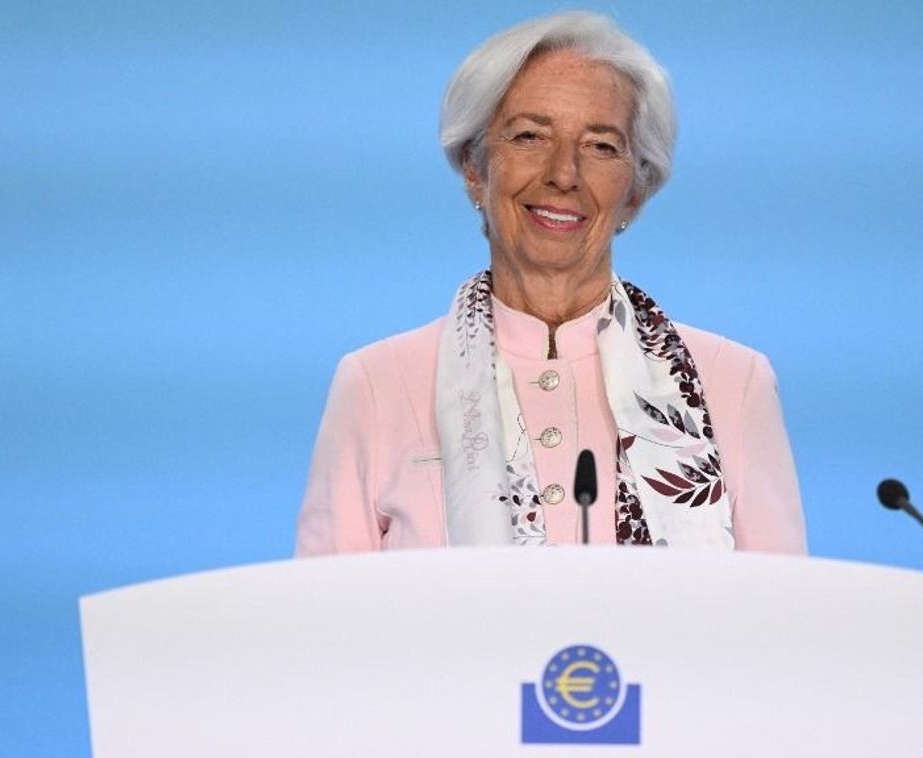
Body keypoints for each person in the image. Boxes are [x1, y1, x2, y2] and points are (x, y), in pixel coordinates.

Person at [295, 11, 805, 554]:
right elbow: (324, 625)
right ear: (475, 166)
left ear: (636, 188)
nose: (564, 173)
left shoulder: (736, 383)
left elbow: (783, 621)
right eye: (530, 136)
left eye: (602, 145)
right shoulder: (375, 385)